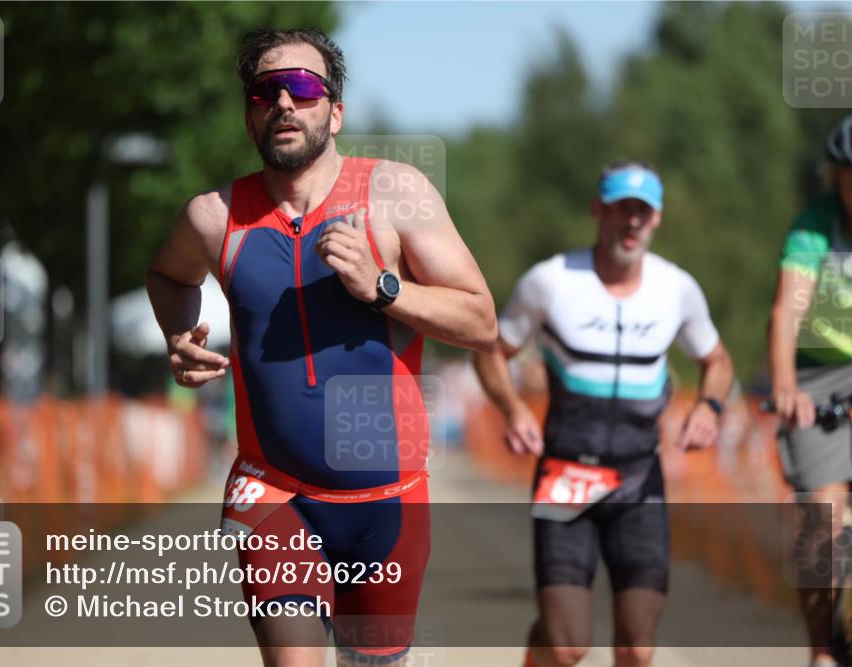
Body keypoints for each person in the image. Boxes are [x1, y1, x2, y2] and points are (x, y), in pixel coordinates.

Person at [146, 27, 496, 667]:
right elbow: (168, 276)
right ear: (250, 115)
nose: (284, 103)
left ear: (335, 110)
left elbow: (480, 321)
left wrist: (383, 287)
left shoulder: (394, 194)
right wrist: (179, 334)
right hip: (272, 490)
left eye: (303, 88)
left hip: (386, 502)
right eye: (265, 91)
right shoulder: (212, 216)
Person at [473, 160, 734, 667]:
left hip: (640, 482)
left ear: (656, 219)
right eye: (621, 210)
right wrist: (512, 408)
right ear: (599, 210)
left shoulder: (676, 288)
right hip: (566, 473)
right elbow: (489, 349)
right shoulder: (549, 281)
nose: (631, 223)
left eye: (643, 212)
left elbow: (717, 360)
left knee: (636, 648)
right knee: (567, 643)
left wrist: (710, 404)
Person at [768, 114, 852, 667]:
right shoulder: (813, 229)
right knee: (821, 522)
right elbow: (785, 314)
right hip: (821, 375)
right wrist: (785, 387)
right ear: (835, 176)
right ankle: (822, 649)